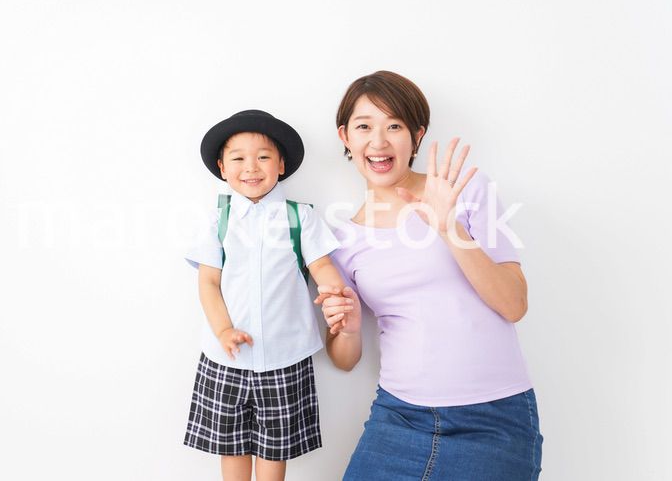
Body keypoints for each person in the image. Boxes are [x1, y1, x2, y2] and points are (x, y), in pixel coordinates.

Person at [316, 71, 543, 480]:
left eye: (395, 126)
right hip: (397, 417)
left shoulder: (467, 192)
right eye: (364, 126)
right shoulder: (341, 240)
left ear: (417, 136)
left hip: (493, 421)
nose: (379, 141)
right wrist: (347, 330)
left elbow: (514, 304)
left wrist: (448, 227)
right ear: (345, 136)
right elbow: (344, 359)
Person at [183, 110, 348, 481]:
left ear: (281, 164)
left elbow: (320, 264)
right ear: (223, 167)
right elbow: (208, 283)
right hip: (227, 358)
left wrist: (332, 287)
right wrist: (224, 330)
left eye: (263, 156)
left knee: (275, 447)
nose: (251, 167)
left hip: (285, 356)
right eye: (238, 158)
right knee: (232, 445)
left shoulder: (300, 217)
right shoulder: (217, 220)